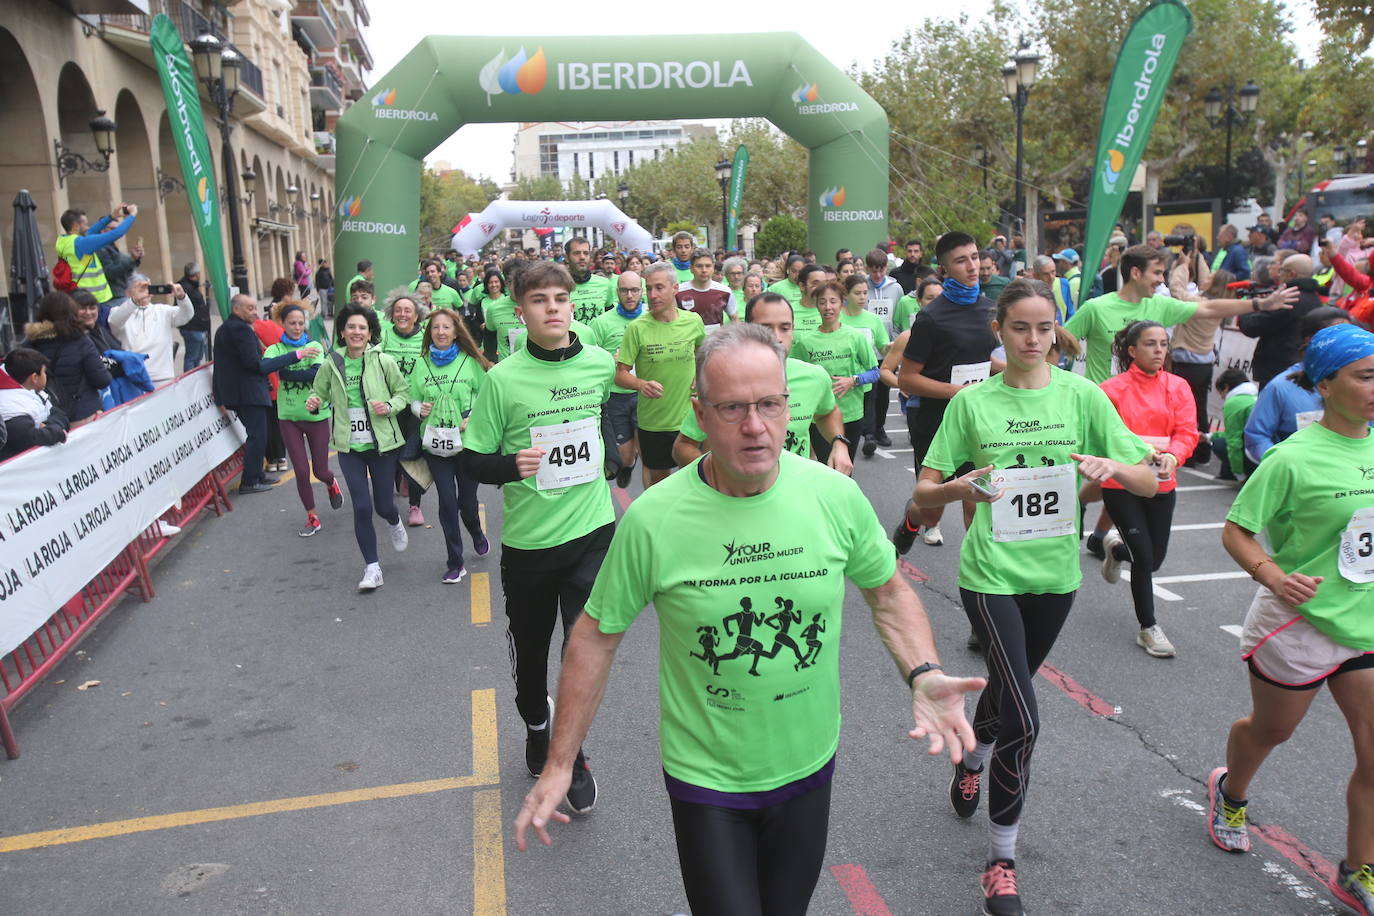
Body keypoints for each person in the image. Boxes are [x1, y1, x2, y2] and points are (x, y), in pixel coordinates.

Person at [514, 321, 985, 916]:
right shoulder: (654, 519)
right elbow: (595, 635)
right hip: (706, 775)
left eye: (769, 403)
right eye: (733, 408)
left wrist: (923, 673)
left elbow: (887, 592)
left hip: (808, 763)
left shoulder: (834, 497)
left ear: (789, 404)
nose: (756, 426)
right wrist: (561, 761)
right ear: (700, 413)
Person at [916, 279, 1156, 916]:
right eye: (1020, 327)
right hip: (990, 574)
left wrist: (1111, 473)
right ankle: (1001, 861)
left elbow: (1148, 478)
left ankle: (972, 752)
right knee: (1025, 717)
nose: (1032, 339)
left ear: (1057, 332)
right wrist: (962, 488)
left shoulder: (1083, 397)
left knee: (1007, 685)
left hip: (1055, 578)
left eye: (1044, 328)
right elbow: (923, 492)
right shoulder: (973, 405)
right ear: (999, 329)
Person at [1209, 323, 1374, 916]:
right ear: (1326, 386)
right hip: (1297, 622)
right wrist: (1273, 575)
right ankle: (1231, 790)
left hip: (1366, 623)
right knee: (1272, 732)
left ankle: (1359, 869)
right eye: (1366, 376)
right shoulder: (1292, 457)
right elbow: (1236, 529)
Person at [460, 261, 617, 815]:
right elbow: (473, 458)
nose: (552, 308)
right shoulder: (503, 379)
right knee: (531, 657)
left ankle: (571, 754)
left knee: (582, 647)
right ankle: (536, 720)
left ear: (572, 304)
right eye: (539, 300)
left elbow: (601, 416)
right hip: (529, 545)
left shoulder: (599, 363)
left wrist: (612, 450)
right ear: (520, 312)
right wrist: (511, 465)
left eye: (560, 298)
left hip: (593, 531)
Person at [1097, 321, 1199, 657]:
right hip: (1121, 483)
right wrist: (1133, 458)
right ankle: (1148, 628)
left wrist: (1173, 454)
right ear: (1132, 351)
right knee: (1143, 556)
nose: (1159, 351)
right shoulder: (1111, 390)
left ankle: (1115, 551)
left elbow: (1188, 432)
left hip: (1162, 483)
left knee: (1154, 560)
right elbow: (1103, 437)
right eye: (1150, 344)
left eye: (1163, 344)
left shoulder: (1179, 387)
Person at [894, 231, 1000, 550]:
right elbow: (907, 380)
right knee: (931, 511)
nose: (972, 266)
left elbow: (985, 361)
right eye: (961, 260)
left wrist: (1025, 372)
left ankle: (982, 571)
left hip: (978, 420)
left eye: (974, 257)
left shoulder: (989, 309)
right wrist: (958, 392)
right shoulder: (931, 317)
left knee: (978, 499)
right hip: (935, 421)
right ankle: (913, 518)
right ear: (943, 269)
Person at [674, 291, 852, 476]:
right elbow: (683, 446)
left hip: (794, 490)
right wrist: (718, 477)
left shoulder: (814, 377)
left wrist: (839, 443)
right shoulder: (724, 381)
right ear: (748, 329)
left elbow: (827, 412)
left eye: (785, 328)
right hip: (740, 496)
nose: (777, 337)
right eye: (765, 328)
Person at [1065, 245, 1298, 385]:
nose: (1162, 280)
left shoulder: (1162, 305)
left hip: (1145, 407)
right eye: (1156, 273)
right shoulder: (1095, 308)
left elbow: (1210, 308)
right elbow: (1058, 341)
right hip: (1103, 406)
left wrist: (1261, 304)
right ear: (1136, 273)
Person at [305, 303, 411, 591]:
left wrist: (388, 406)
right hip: (349, 445)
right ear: (342, 331)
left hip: (382, 444)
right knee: (362, 506)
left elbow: (403, 393)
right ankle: (372, 567)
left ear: (370, 333)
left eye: (362, 327)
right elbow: (319, 391)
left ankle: (393, 519)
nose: (356, 332)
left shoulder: (383, 361)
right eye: (351, 326)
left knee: (383, 505)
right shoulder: (332, 363)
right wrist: (313, 401)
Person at [409, 308, 491, 583]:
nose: (441, 332)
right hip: (435, 444)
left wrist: (473, 418)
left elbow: (485, 394)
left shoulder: (470, 361)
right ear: (429, 333)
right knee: (446, 502)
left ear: (456, 332)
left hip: (466, 444)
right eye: (435, 328)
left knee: (467, 503)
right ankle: (455, 561)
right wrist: (420, 409)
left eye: (446, 327)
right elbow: (413, 399)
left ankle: (477, 533)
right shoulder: (422, 363)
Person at [615, 262, 706, 488]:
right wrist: (640, 384)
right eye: (649, 289)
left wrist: (701, 375)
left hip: (689, 420)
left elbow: (704, 355)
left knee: (694, 481)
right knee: (659, 484)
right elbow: (620, 375)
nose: (653, 295)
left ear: (674, 288)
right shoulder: (637, 328)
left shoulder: (693, 321)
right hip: (653, 422)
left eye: (659, 288)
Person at [263, 302, 340, 537]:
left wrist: (286, 370)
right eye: (292, 323)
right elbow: (264, 366)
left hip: (316, 416)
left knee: (320, 470)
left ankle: (331, 483)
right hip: (288, 417)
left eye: (300, 323)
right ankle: (312, 516)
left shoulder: (314, 344)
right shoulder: (276, 349)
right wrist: (296, 355)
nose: (297, 327)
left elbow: (315, 373)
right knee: (301, 470)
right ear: (282, 324)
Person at [1244, 307, 1354, 463]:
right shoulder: (1281, 387)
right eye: (1338, 336)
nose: (1347, 343)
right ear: (1309, 340)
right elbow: (1257, 436)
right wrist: (1281, 464)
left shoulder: (1361, 383)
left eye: (1350, 335)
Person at [789, 278, 876, 466]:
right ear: (816, 305)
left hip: (851, 415)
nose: (828, 307)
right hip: (819, 417)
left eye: (833, 301)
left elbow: (875, 372)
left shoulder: (855, 337)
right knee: (823, 468)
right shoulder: (805, 341)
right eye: (822, 302)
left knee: (845, 468)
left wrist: (853, 380)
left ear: (842, 303)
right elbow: (793, 374)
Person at [212, 295, 281, 495]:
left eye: (255, 308)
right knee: (257, 435)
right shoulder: (240, 330)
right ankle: (250, 480)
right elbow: (253, 363)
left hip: (239, 391)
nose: (255, 312)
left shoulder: (226, 329)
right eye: (250, 308)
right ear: (236, 309)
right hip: (247, 392)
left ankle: (257, 474)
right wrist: (278, 360)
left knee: (259, 434)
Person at [587, 270, 645, 488]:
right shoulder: (600, 323)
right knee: (625, 456)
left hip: (643, 394)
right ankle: (628, 465)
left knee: (647, 451)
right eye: (624, 290)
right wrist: (609, 360)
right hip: (615, 396)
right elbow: (590, 362)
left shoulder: (650, 319)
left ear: (642, 291)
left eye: (634, 290)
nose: (629, 295)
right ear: (617, 292)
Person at [381, 291, 431, 527]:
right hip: (389, 405)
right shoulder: (383, 336)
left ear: (417, 316)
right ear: (392, 314)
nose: (402, 314)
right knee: (391, 453)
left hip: (414, 406)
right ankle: (399, 476)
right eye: (398, 310)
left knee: (413, 453)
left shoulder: (424, 338)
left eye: (407, 310)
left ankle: (415, 506)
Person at [21, 290, 111, 423]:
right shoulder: (81, 341)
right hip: (83, 414)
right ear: (71, 313)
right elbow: (101, 380)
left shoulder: (28, 344)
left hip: (47, 419)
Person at [1239, 254, 1324, 389]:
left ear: (1292, 274)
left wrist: (1251, 307)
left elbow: (1252, 326)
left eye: (1282, 270)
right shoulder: (1315, 299)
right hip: (1301, 368)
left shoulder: (1288, 299)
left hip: (1277, 370)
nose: (1278, 275)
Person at [107, 274, 194, 386]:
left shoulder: (163, 311)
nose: (145, 292)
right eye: (140, 289)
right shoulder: (118, 311)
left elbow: (187, 315)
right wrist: (134, 301)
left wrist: (182, 297)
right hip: (134, 376)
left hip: (163, 377)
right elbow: (114, 322)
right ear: (127, 292)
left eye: (147, 288)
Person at [840, 275, 891, 457]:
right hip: (841, 378)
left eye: (865, 293)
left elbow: (883, 348)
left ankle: (869, 437)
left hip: (866, 377)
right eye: (857, 293)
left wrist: (892, 347)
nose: (863, 297)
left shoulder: (873, 319)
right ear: (846, 294)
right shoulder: (837, 316)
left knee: (868, 407)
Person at [54, 204, 137, 305]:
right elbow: (116, 234)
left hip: (77, 295)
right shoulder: (83, 243)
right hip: (94, 298)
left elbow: (91, 231)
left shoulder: (63, 241)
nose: (88, 227)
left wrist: (111, 216)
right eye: (85, 224)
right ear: (76, 226)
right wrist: (132, 215)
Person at [0, 348, 70, 461]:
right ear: (34, 378)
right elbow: (29, 439)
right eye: (44, 372)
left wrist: (49, 426)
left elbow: (60, 415)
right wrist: (56, 433)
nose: (46, 376)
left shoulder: (33, 391)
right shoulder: (9, 404)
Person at [1211, 367, 1258, 481]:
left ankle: (1241, 474)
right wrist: (1210, 436)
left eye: (1221, 392)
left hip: (1253, 455)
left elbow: (1234, 442)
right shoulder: (1255, 397)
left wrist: (1239, 475)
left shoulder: (1233, 403)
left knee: (1219, 444)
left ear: (1226, 387)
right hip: (1265, 452)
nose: (1222, 397)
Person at [676, 248, 737, 331]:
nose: (704, 270)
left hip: (715, 342)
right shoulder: (678, 292)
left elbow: (735, 321)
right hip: (688, 342)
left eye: (708, 266)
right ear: (691, 268)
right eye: (699, 266)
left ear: (713, 267)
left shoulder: (725, 292)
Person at [481, 266, 523, 362]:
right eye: (515, 283)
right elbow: (489, 338)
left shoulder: (537, 306)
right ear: (508, 284)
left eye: (522, 283)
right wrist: (490, 360)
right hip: (505, 365)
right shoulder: (494, 308)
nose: (519, 287)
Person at [178, 263, 211, 371]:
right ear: (197, 274)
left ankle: (195, 378)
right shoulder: (187, 287)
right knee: (192, 357)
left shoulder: (190, 286)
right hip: (192, 327)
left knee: (197, 357)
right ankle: (189, 380)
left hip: (196, 327)